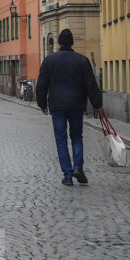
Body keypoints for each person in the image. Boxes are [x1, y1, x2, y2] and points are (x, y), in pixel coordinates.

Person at [37, 28, 103, 187]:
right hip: (76, 105)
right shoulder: (81, 61)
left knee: (61, 140)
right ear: (72, 42)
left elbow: (41, 85)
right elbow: (91, 85)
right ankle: (78, 167)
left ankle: (67, 175)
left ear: (59, 42)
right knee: (77, 136)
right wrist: (98, 105)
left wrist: (42, 104)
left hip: (57, 106)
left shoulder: (49, 61)